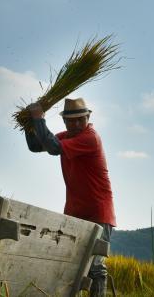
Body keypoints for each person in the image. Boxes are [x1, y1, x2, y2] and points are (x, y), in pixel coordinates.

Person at [25, 97, 116, 296]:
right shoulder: (66, 136)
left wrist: (39, 119)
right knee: (71, 264)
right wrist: (28, 123)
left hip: (98, 212)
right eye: (70, 120)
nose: (75, 124)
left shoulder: (90, 137)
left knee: (94, 267)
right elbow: (36, 146)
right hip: (75, 212)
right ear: (64, 121)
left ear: (88, 117)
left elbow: (54, 148)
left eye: (80, 120)